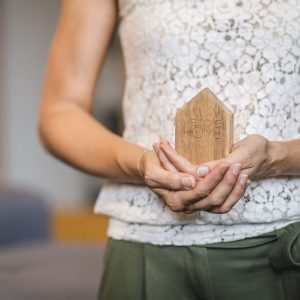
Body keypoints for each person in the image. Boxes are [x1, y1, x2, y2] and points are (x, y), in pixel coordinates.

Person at [39, 0, 300, 299]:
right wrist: (138, 163)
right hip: (145, 247)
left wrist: (277, 157)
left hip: (284, 242)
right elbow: (59, 112)